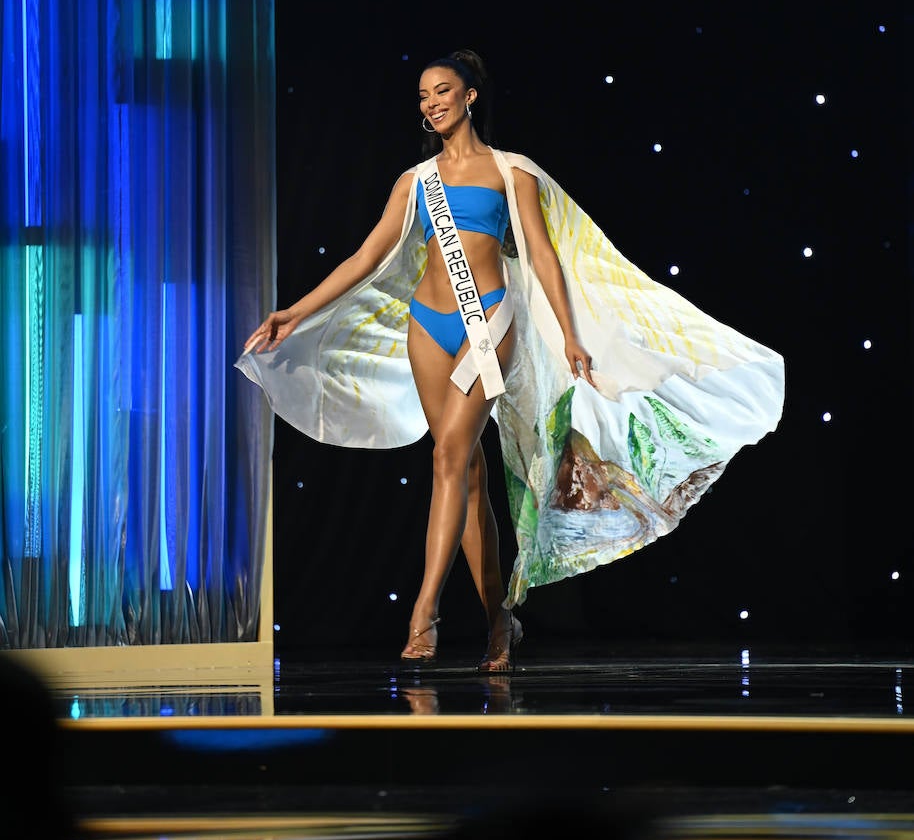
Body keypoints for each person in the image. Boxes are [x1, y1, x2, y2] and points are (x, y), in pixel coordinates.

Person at [237, 49, 784, 669]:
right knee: (465, 477)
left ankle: (424, 612)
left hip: (486, 325)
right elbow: (364, 259)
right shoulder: (415, 182)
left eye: (442, 91)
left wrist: (571, 335)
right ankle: (499, 620)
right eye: (422, 96)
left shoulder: (510, 171)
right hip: (427, 325)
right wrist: (295, 312)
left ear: (470, 96)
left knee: (448, 456)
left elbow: (544, 256)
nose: (431, 103)